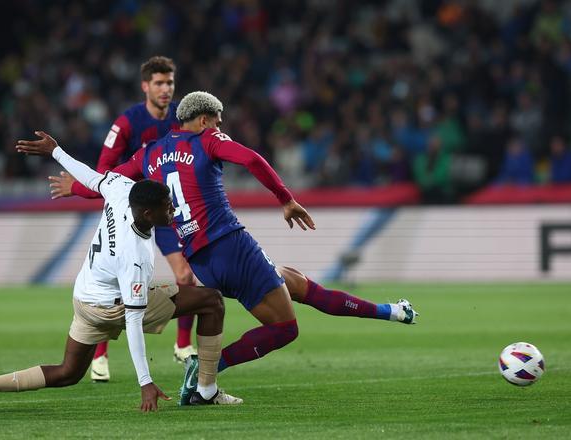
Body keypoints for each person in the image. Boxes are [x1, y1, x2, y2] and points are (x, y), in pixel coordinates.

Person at [58, 91, 419, 404]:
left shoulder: (150, 152)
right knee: (285, 328)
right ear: (203, 119)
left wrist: (74, 187)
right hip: (230, 245)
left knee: (297, 284)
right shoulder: (207, 140)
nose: (219, 126)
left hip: (201, 260)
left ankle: (392, 311)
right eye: (216, 120)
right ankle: (207, 370)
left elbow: (109, 181)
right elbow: (251, 159)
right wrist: (285, 198)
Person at [0, 132, 241, 413]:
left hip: (85, 298)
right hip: (113, 307)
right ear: (148, 214)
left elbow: (92, 178)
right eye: (167, 207)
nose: (172, 211)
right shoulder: (134, 257)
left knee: (68, 372)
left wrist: (56, 151)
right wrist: (145, 382)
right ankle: (205, 390)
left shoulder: (122, 189)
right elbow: (134, 322)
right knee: (211, 301)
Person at [53, 56, 197, 381]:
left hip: (165, 211)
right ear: (145, 86)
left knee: (185, 275)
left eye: (170, 83)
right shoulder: (127, 123)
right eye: (159, 83)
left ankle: (183, 345)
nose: (165, 89)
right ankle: (100, 355)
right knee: (120, 288)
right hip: (131, 214)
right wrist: (77, 187)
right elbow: (104, 174)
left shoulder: (180, 118)